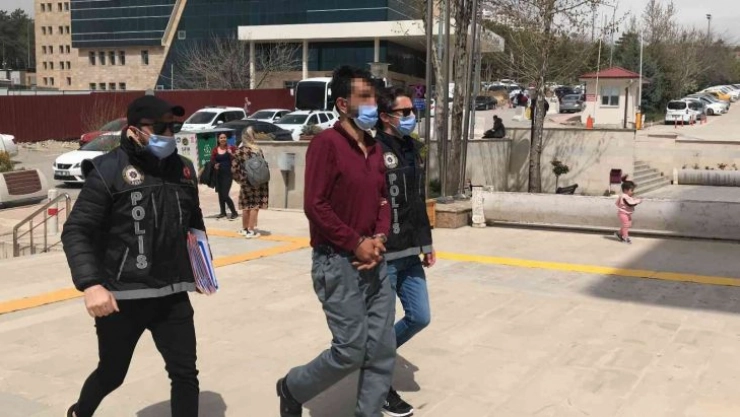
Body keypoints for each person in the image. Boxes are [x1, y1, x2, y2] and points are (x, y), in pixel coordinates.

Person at [61, 95, 204, 417]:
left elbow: (193, 221)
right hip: (122, 296)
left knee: (185, 373)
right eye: (160, 128)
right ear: (134, 130)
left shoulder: (183, 169)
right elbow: (76, 230)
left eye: (173, 127)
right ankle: (80, 412)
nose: (168, 135)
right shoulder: (108, 169)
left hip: (172, 294)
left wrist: (201, 268)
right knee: (112, 373)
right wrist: (91, 284)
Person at [276, 65, 394, 417]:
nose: (373, 103)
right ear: (343, 104)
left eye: (374, 97)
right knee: (351, 350)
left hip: (375, 259)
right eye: (365, 97)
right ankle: (293, 387)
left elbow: (383, 200)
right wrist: (355, 243)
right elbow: (315, 205)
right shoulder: (326, 144)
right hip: (337, 262)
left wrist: (379, 237)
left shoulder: (374, 148)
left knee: (381, 348)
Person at [375, 87, 435, 417]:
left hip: (411, 251)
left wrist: (427, 243)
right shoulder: (372, 149)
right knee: (382, 326)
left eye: (413, 110)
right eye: (406, 111)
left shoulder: (413, 148)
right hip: (383, 254)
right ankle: (380, 386)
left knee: (420, 316)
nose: (412, 116)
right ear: (386, 117)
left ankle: (373, 357)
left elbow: (417, 200)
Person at [231, 126, 269, 238]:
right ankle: (251, 230)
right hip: (259, 182)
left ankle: (245, 229)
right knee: (255, 206)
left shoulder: (239, 151)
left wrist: (241, 180)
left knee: (246, 205)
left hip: (246, 183)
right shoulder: (257, 150)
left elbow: (234, 169)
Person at [210, 132, 238, 220]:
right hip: (218, 175)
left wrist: (231, 153)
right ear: (218, 139)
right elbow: (212, 160)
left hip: (228, 175)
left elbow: (238, 157)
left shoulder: (231, 148)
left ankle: (234, 212)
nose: (223, 139)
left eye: (224, 137)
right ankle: (223, 212)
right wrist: (215, 164)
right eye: (221, 138)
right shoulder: (215, 149)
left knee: (225, 194)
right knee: (220, 194)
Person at [615, 175, 642, 244]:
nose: (633, 192)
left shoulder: (627, 196)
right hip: (623, 213)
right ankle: (625, 237)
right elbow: (630, 204)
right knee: (626, 225)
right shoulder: (624, 196)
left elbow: (629, 201)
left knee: (628, 224)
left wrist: (635, 200)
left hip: (627, 213)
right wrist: (638, 201)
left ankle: (619, 233)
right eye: (631, 190)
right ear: (625, 190)